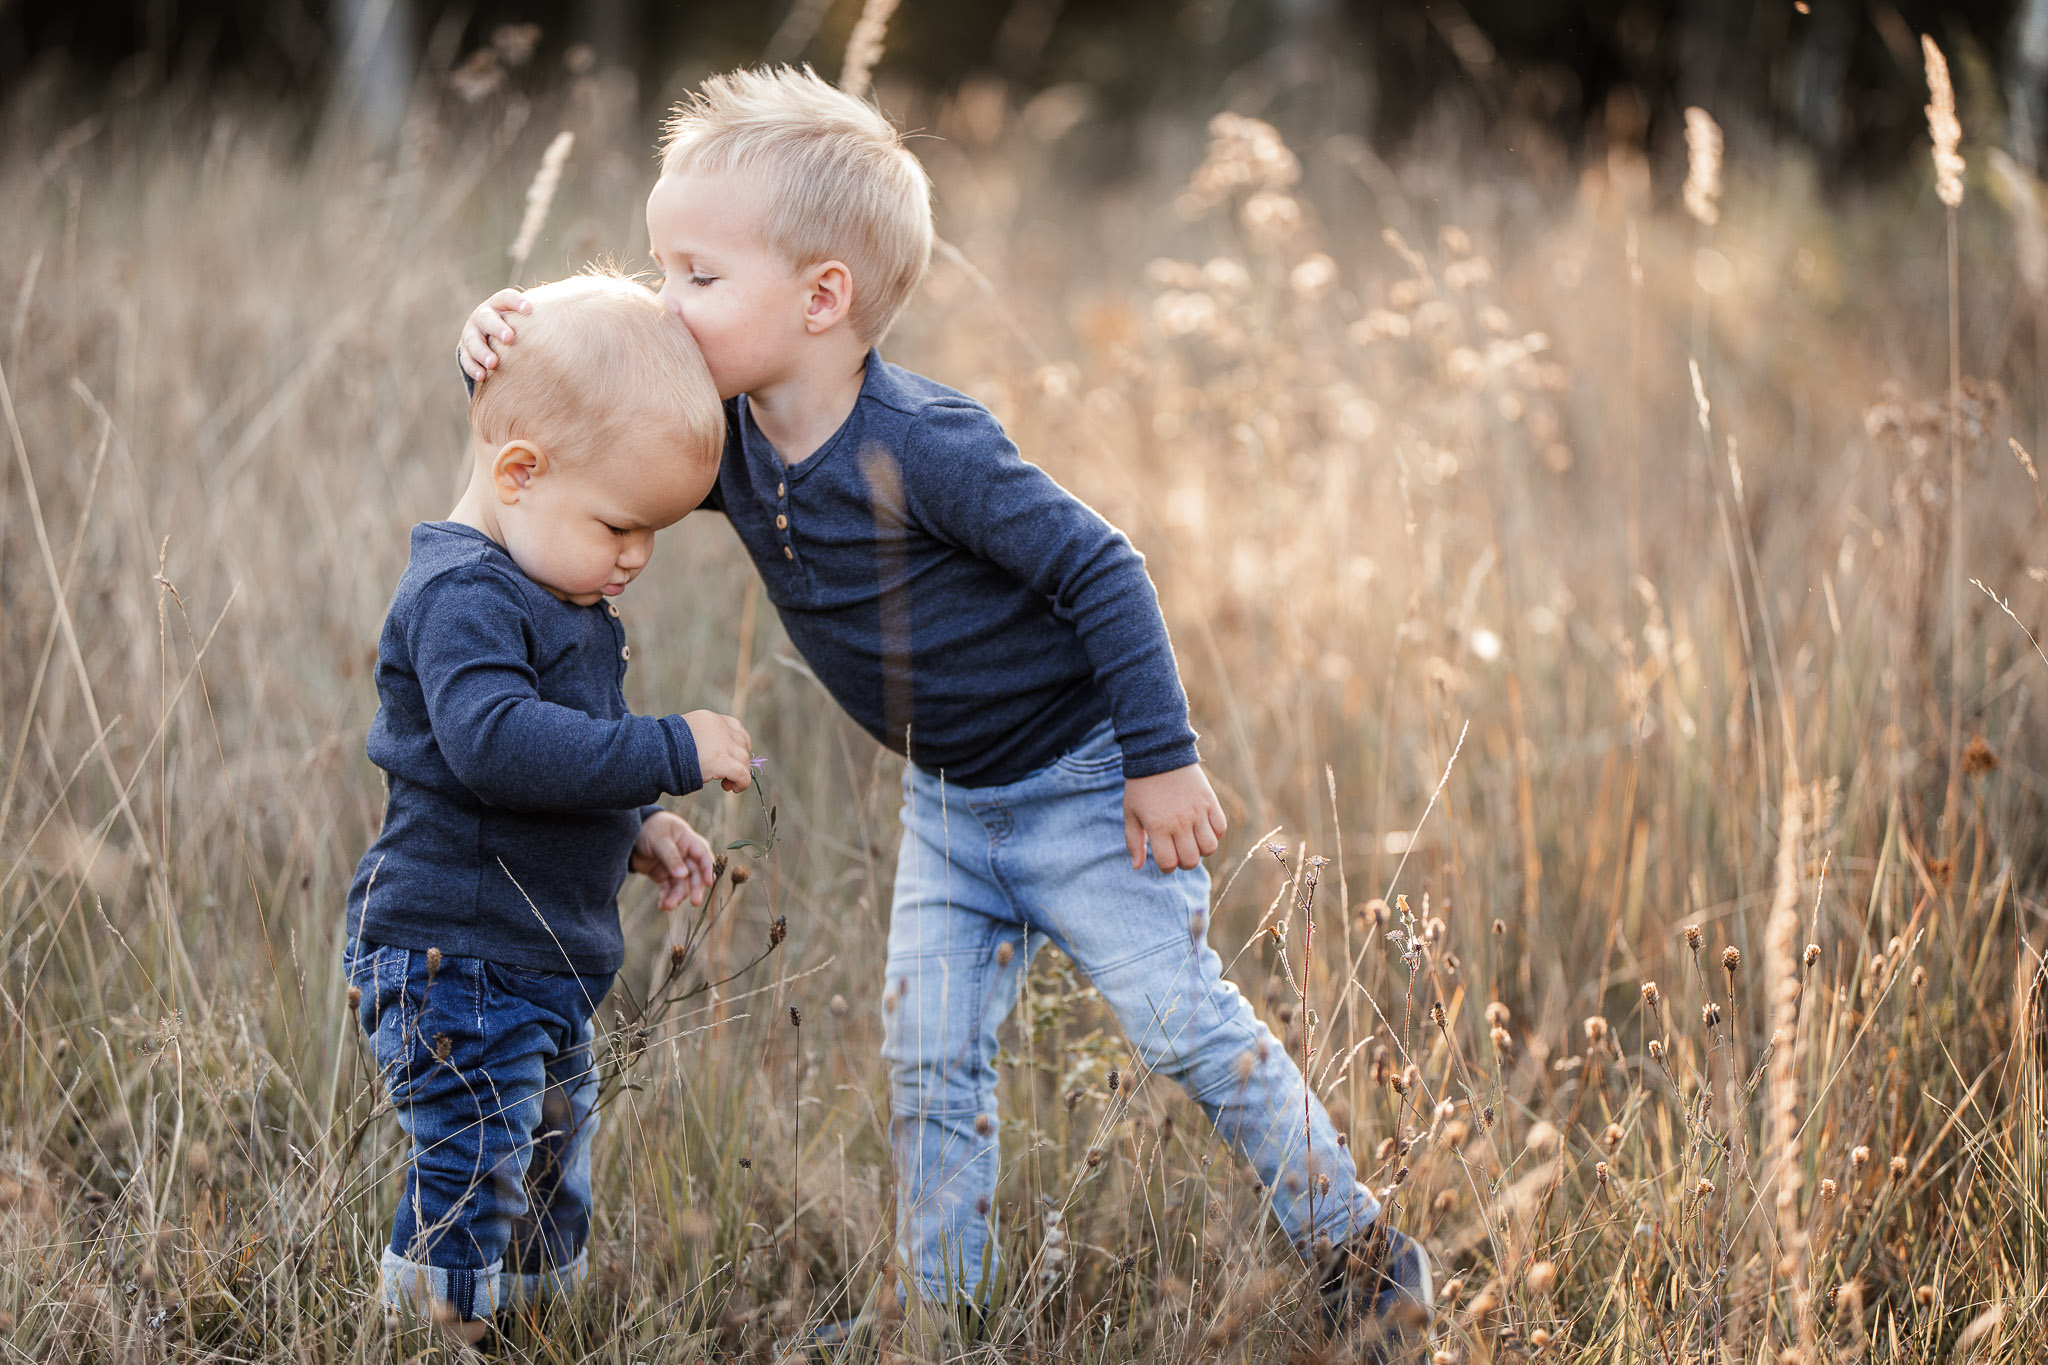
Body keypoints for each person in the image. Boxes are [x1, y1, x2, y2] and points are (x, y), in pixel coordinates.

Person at [459, 68, 1430, 1344]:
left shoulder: (925, 445)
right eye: (659, 267)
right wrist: (504, 343)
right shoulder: (730, 442)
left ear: (822, 299)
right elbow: (571, 450)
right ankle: (940, 1314)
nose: (661, 302)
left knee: (1179, 1024)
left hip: (1085, 790)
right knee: (930, 1065)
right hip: (952, 809)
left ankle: (1360, 1253)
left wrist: (1161, 759)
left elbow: (1102, 565)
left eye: (696, 276)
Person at [349, 270, 755, 1343]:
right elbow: (495, 749)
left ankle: (531, 1327)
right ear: (519, 473)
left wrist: (634, 830)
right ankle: (432, 1332)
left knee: (546, 1161)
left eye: (653, 535)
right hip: (454, 954)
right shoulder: (464, 593)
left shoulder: (559, 582)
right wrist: (667, 748)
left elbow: (560, 759)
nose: (636, 557)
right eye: (620, 526)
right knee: (475, 1164)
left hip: (533, 957)